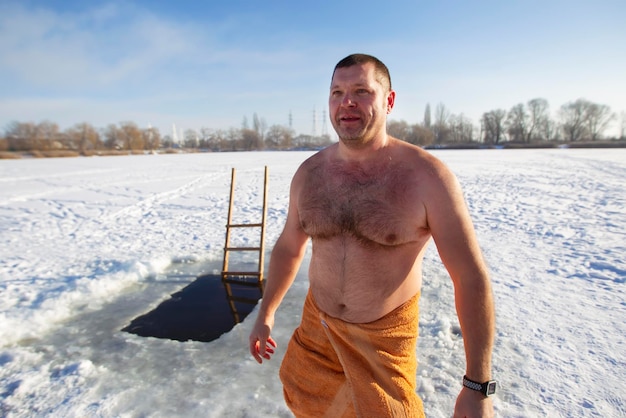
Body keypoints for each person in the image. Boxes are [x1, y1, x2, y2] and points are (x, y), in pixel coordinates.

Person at [249, 53, 496, 418]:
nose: (346, 102)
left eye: (361, 91)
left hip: (383, 348)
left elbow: (470, 277)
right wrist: (265, 311)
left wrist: (477, 387)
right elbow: (289, 248)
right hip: (318, 338)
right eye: (337, 92)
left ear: (388, 101)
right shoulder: (309, 174)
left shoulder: (427, 178)